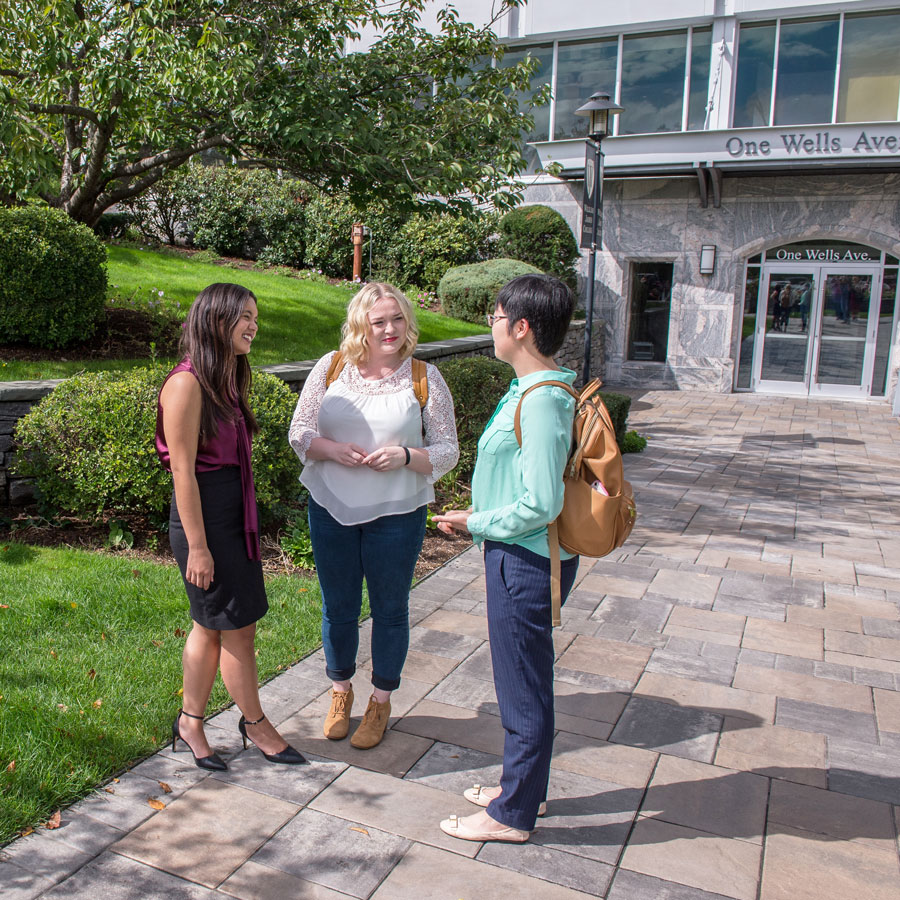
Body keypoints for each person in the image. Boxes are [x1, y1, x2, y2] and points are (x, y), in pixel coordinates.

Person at [434, 273, 578, 843]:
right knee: (524, 681)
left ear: (521, 327)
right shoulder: (529, 390)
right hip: (516, 554)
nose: (490, 326)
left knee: (521, 687)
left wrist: (476, 521)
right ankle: (523, 789)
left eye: (495, 317)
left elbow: (541, 503)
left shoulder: (542, 401)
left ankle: (512, 813)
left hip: (524, 560)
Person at [288, 282, 459, 750]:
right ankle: (340, 692)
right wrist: (332, 450)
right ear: (360, 323)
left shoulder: (424, 376)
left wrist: (406, 455)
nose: (389, 329)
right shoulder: (332, 367)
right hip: (330, 507)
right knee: (338, 608)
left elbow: (448, 451)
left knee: (389, 609)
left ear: (408, 322)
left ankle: (380, 701)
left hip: (397, 514)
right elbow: (299, 432)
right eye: (378, 320)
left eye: (397, 319)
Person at [157, 283, 305, 770]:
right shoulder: (186, 384)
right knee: (237, 628)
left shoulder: (225, 379)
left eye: (255, 316)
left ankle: (190, 722)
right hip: (203, 520)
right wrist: (198, 547)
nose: (253, 325)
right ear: (216, 320)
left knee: (212, 625)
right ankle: (256, 724)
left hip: (231, 514)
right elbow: (183, 472)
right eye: (244, 315)